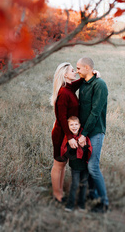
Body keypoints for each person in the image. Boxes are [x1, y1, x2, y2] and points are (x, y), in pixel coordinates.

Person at [76, 57, 109, 213]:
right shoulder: (84, 83)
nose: (77, 71)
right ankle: (92, 194)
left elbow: (95, 112)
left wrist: (84, 134)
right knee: (87, 164)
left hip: (95, 131)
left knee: (93, 167)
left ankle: (104, 203)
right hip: (84, 131)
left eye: (79, 68)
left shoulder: (100, 85)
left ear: (87, 67)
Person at [50, 62, 84, 203]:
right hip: (61, 134)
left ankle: (60, 190)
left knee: (63, 163)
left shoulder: (68, 87)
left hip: (67, 133)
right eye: (72, 70)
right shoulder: (64, 93)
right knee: (58, 164)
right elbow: (61, 118)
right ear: (65, 74)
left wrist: (92, 74)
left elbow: (77, 84)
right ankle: (57, 194)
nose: (75, 72)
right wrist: (69, 137)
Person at [60, 116, 91, 212]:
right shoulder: (68, 138)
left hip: (85, 165)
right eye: (71, 125)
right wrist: (72, 146)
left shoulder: (83, 136)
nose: (74, 127)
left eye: (76, 124)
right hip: (75, 166)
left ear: (80, 125)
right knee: (75, 184)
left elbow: (89, 150)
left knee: (84, 184)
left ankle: (81, 204)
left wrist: (84, 146)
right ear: (68, 126)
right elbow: (66, 153)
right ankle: (70, 204)